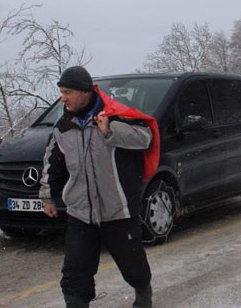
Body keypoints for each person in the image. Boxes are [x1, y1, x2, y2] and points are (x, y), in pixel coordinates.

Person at [39, 66, 160, 308]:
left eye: (67, 92)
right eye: (61, 92)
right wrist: (47, 196)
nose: (63, 98)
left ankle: (143, 295)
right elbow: (52, 164)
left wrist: (110, 131)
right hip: (80, 212)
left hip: (118, 210)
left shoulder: (115, 116)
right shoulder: (63, 127)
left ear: (85, 92)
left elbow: (145, 137)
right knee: (75, 272)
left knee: (133, 267)